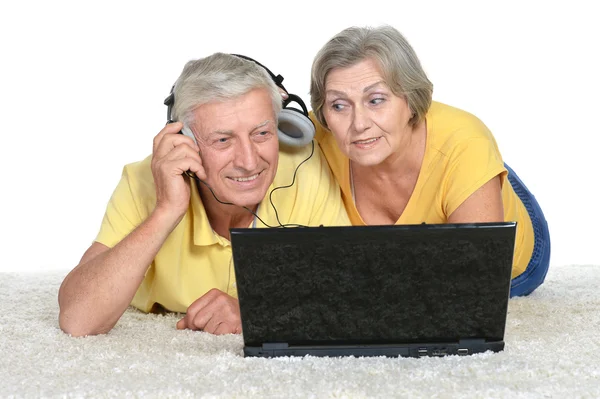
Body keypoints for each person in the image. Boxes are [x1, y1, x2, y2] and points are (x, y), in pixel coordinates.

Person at [58, 53, 349, 337]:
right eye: (223, 140)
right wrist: (167, 209)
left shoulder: (305, 169)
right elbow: (78, 320)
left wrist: (256, 312)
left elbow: (355, 292)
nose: (248, 161)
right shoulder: (143, 180)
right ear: (184, 141)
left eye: (262, 133)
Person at [308, 25, 550, 297]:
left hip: (515, 258)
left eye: (375, 100)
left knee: (469, 155)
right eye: (339, 105)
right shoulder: (312, 136)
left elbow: (472, 280)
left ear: (411, 100)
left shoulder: (465, 145)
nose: (359, 124)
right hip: (439, 168)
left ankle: (484, 174)